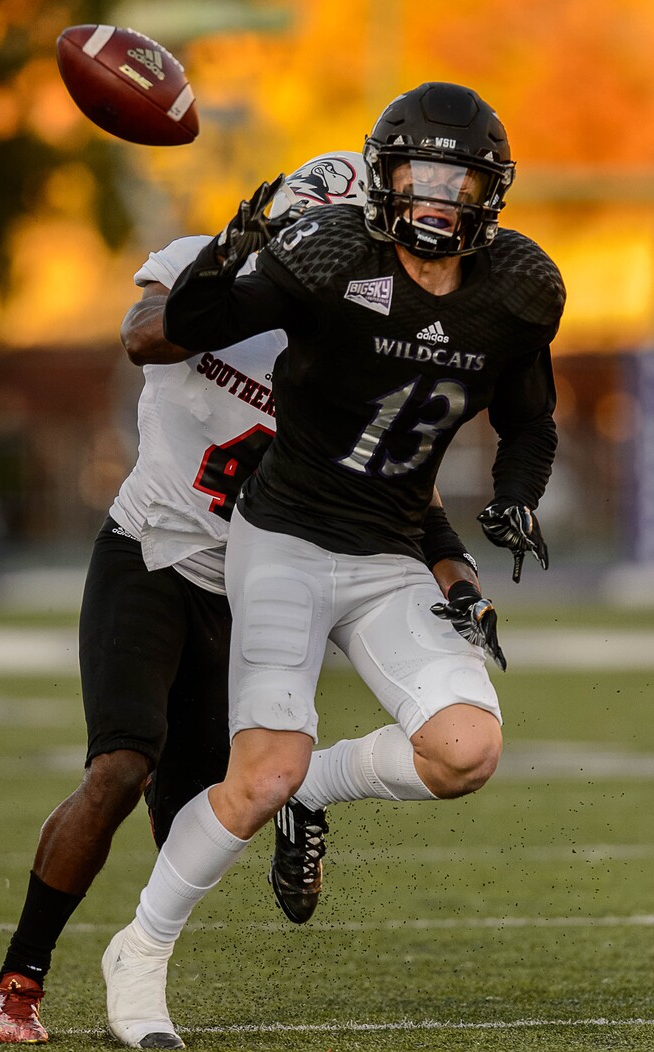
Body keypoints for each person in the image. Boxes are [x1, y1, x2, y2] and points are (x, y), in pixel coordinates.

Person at [0, 150, 484, 1047]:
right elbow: (145, 335)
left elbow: (399, 472)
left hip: (263, 584)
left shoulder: (354, 325)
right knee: (119, 769)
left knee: (203, 817)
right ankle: (23, 974)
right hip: (151, 552)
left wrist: (451, 568)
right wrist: (226, 261)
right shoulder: (202, 268)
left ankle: (299, 798)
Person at [100, 81, 564, 1048]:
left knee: (467, 749)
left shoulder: (519, 290)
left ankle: (319, 786)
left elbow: (531, 419)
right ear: (385, 178)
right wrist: (219, 263)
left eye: (459, 180)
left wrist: (515, 496)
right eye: (421, 176)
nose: (438, 198)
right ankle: (141, 950)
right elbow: (178, 332)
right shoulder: (330, 256)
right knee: (258, 776)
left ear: (491, 193)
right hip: (287, 540)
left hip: (391, 548)